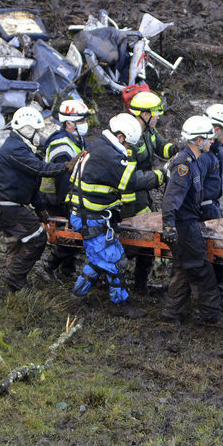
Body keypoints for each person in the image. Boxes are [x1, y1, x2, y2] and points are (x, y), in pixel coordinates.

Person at [68, 113, 166, 318]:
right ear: (121, 137)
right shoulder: (109, 156)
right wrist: (163, 174)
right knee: (113, 260)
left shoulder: (99, 146)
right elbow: (132, 181)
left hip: (94, 215)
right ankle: (116, 303)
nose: (130, 149)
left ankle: (85, 297)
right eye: (129, 144)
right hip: (90, 217)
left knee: (101, 258)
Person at [158, 116, 223, 329]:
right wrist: (169, 225)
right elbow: (171, 198)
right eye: (208, 138)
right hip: (183, 226)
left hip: (188, 223)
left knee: (184, 269)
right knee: (202, 271)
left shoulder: (192, 162)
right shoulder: (183, 165)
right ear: (197, 140)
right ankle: (212, 317)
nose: (212, 141)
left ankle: (169, 313)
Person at [0, 107, 78, 292]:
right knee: (36, 238)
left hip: (8, 205)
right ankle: (16, 279)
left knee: (17, 242)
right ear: (27, 130)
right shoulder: (15, 149)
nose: (39, 135)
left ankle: (14, 285)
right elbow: (39, 169)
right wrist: (66, 167)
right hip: (6, 207)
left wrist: (40, 207)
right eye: (36, 131)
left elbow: (32, 181)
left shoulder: (21, 147)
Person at [121, 91, 177, 294]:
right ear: (144, 115)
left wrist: (176, 150)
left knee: (147, 245)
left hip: (144, 197)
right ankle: (113, 279)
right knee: (131, 245)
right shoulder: (131, 139)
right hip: (129, 201)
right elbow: (130, 179)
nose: (158, 117)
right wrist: (159, 176)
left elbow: (162, 147)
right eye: (156, 113)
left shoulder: (149, 132)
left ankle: (140, 285)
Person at [37, 99, 91, 279]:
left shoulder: (78, 140)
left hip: (71, 195)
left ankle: (68, 270)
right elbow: (62, 181)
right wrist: (70, 204)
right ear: (69, 123)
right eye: (82, 121)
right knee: (69, 234)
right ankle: (49, 266)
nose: (85, 124)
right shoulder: (61, 145)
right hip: (55, 198)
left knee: (75, 234)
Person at [198, 103, 223, 308]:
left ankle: (216, 297)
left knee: (218, 256)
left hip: (213, 206)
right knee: (215, 256)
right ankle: (211, 301)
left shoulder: (215, 149)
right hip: (204, 210)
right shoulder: (204, 154)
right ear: (216, 129)